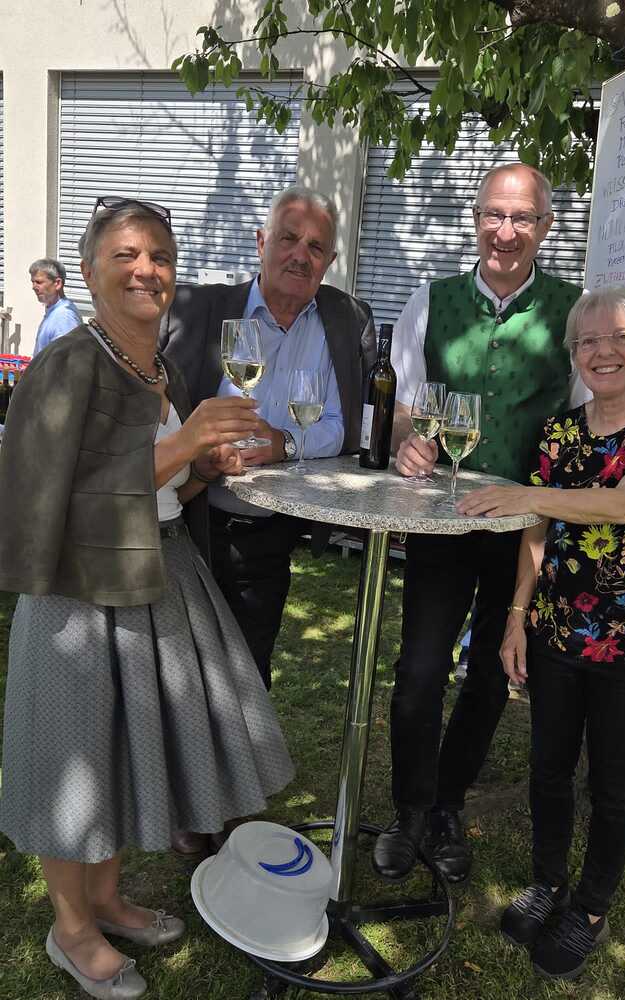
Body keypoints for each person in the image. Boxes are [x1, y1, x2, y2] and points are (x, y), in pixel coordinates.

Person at [0, 197, 294, 1000]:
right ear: (88, 272)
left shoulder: (161, 370)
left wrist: (202, 468)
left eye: (159, 256)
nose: (145, 270)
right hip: (79, 598)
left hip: (159, 579)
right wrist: (184, 443)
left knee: (119, 752)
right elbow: (43, 501)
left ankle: (105, 900)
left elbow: (159, 490)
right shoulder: (67, 364)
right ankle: (71, 928)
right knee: (72, 760)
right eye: (125, 255)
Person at [457, 287, 625, 980]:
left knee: (613, 783)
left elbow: (623, 504)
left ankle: (590, 909)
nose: (604, 351)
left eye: (619, 336)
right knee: (549, 768)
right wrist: (516, 618)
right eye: (588, 341)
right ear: (574, 355)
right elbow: (537, 534)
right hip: (556, 633)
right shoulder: (558, 434)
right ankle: (548, 882)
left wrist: (527, 495)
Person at [372, 162, 581, 886]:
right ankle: (408, 807)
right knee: (420, 671)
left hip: (524, 527)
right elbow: (403, 408)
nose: (506, 231)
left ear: (545, 227)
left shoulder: (572, 313)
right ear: (475, 218)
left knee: (492, 674)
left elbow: (583, 423)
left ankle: (447, 806)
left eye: (522, 218)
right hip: (442, 519)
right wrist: (407, 441)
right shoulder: (429, 300)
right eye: (495, 214)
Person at [161, 185, 375, 696]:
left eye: (316, 247)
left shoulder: (346, 320)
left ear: (330, 261)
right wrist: (200, 453)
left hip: (270, 534)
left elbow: (342, 426)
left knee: (249, 677)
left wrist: (285, 443)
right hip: (192, 523)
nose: (300, 255)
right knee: (178, 675)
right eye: (288, 238)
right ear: (261, 242)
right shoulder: (199, 309)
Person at [29, 257, 83, 355]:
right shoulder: (54, 311)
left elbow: (65, 359)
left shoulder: (64, 317)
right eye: (32, 282)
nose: (34, 287)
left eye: (39, 282)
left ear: (57, 283)